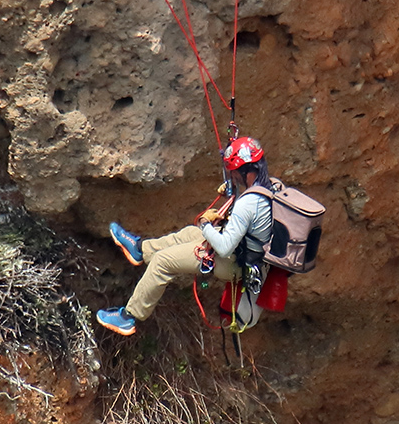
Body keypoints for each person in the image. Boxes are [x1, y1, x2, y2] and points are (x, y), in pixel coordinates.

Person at [97, 136, 274, 335]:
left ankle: (129, 317)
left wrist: (205, 224)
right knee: (191, 233)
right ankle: (140, 250)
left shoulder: (248, 204)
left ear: (244, 170)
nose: (232, 176)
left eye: (233, 172)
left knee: (163, 261)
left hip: (233, 264)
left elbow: (224, 248)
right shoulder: (267, 188)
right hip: (248, 257)